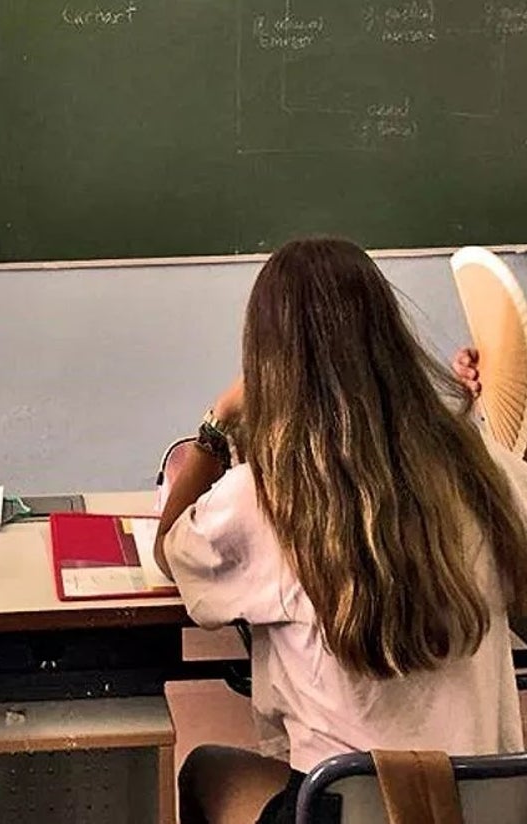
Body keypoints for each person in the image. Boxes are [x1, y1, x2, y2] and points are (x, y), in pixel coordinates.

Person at [153, 238, 527, 824]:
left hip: (342, 808)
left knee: (207, 770)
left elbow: (171, 550)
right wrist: (471, 420)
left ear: (269, 357)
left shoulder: (266, 493)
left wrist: (216, 424)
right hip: (484, 807)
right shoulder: (486, 467)